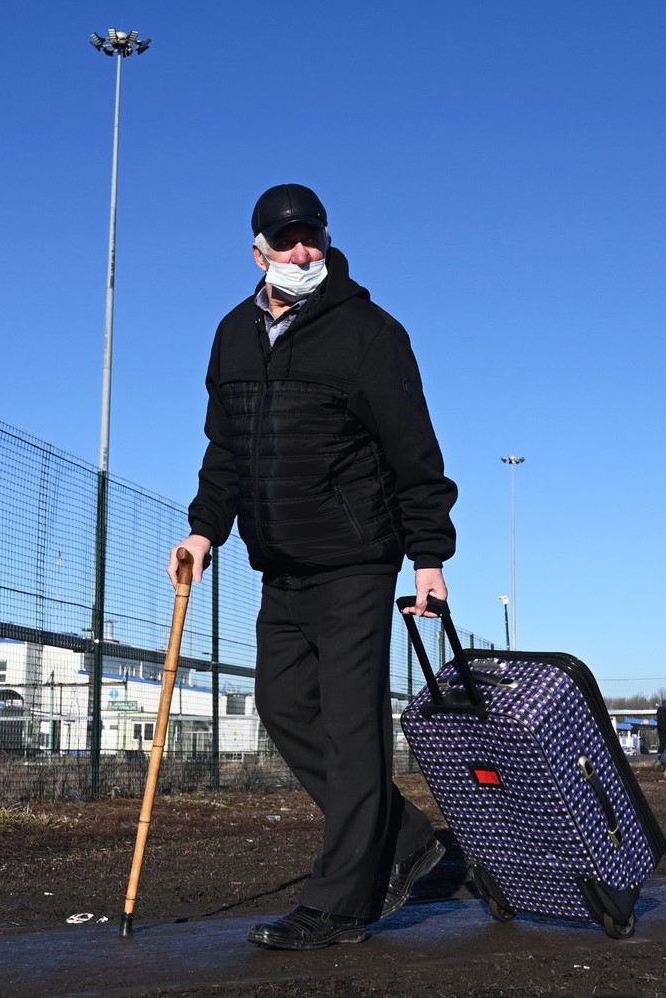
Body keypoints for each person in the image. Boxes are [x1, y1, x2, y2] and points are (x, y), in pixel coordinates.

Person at [171, 184, 456, 951]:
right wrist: (204, 531)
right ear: (257, 250)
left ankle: (341, 903)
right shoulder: (233, 333)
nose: (302, 253)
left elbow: (414, 451)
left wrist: (428, 555)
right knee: (281, 706)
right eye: (287, 240)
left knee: (353, 727)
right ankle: (402, 837)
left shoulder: (369, 333)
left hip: (357, 561)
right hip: (281, 567)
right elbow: (225, 450)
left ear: (326, 242)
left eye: (312, 239)